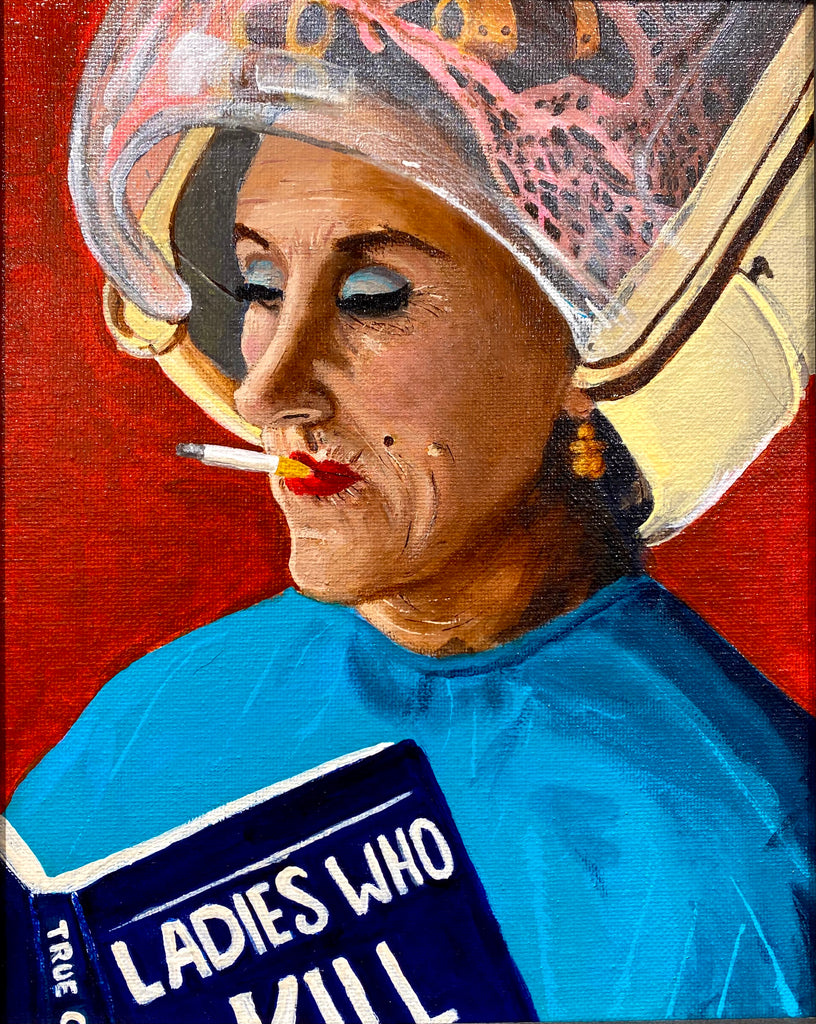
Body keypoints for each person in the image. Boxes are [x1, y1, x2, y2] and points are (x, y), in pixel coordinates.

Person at [6, 0, 814, 1019]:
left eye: (373, 295)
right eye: (260, 283)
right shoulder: (152, 725)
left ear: (586, 327)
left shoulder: (728, 858)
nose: (267, 390)